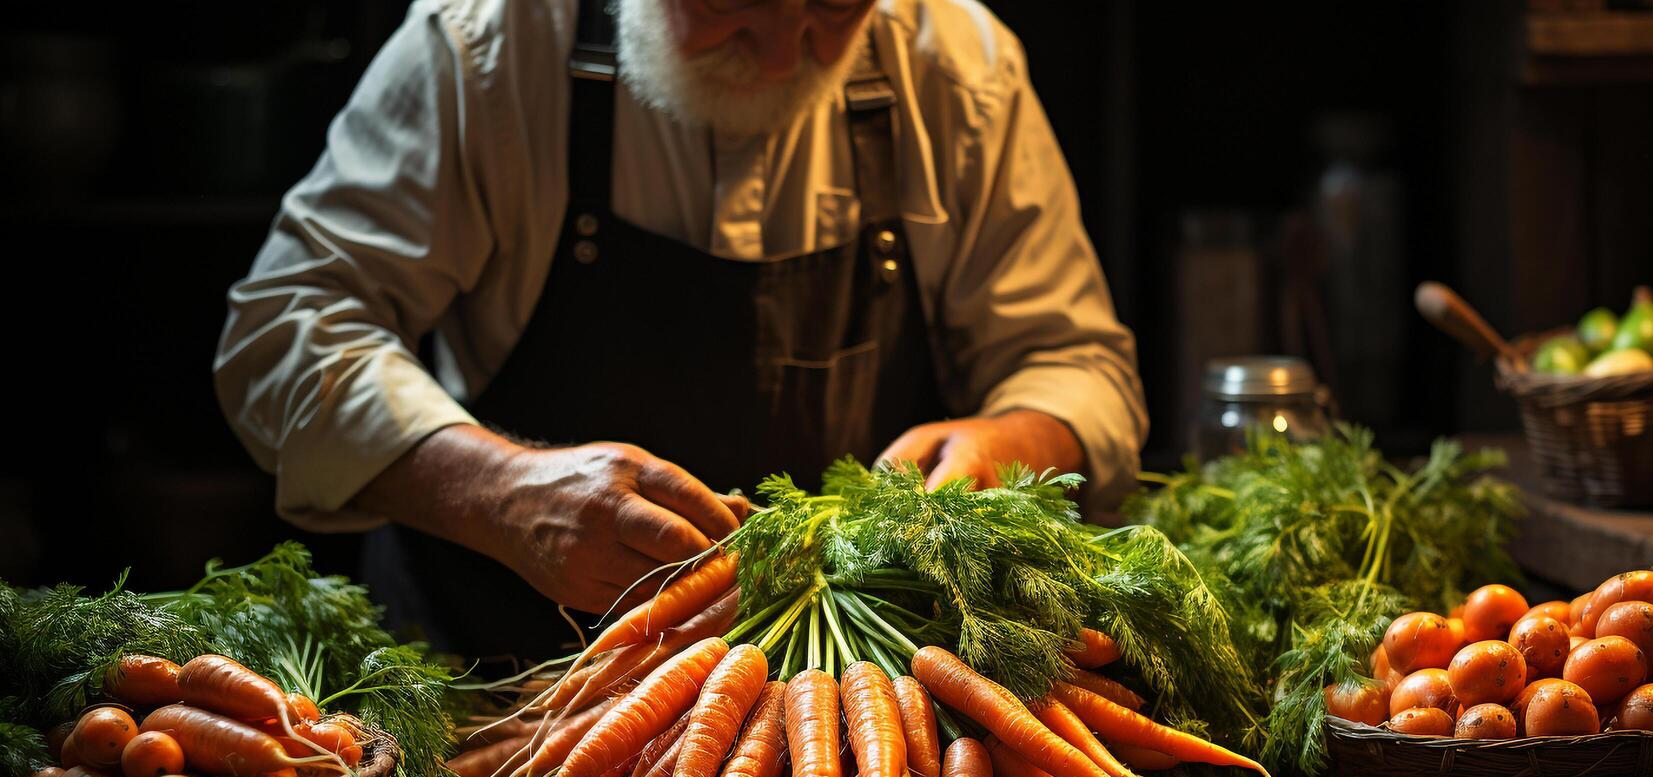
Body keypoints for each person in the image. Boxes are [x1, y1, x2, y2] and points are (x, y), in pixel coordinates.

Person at [215, 0, 1147, 657]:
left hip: (839, 719)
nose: (784, 53)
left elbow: (1073, 362)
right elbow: (286, 330)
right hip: (499, 700)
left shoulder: (957, 61)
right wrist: (497, 490)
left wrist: (1012, 439)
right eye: (728, 0)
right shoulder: (483, 47)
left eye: (833, 4)